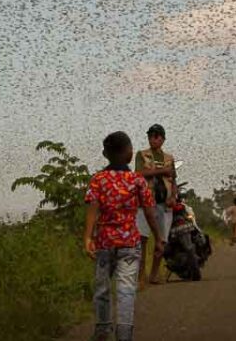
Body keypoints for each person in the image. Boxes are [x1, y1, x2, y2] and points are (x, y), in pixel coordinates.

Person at [84, 131, 166, 341]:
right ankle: (124, 334)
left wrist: (88, 238)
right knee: (126, 290)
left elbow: (92, 209)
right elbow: (149, 211)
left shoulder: (98, 180)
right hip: (130, 244)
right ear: (130, 155)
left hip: (104, 243)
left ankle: (102, 330)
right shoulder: (137, 180)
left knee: (102, 289)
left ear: (105, 154)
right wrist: (158, 237)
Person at [135, 123, 176, 286]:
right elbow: (138, 174)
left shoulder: (169, 158)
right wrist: (161, 171)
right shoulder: (142, 155)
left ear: (163, 139)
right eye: (150, 136)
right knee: (142, 239)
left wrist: (173, 196)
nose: (153, 139)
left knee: (162, 241)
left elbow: (173, 179)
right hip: (146, 203)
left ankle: (153, 275)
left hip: (164, 204)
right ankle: (140, 277)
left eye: (156, 136)